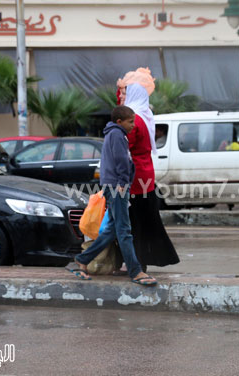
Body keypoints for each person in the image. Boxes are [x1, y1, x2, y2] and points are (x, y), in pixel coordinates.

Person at [74, 105, 157, 285]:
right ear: (119, 121)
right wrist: (122, 184)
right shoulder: (118, 135)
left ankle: (83, 259)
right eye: (130, 121)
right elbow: (121, 161)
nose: (134, 125)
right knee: (124, 231)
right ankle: (135, 272)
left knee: (111, 230)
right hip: (117, 188)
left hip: (114, 186)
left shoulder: (115, 134)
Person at [119, 82, 180, 272]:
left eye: (123, 93)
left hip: (134, 176)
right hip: (145, 172)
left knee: (134, 221)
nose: (121, 96)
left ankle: (137, 262)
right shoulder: (145, 115)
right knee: (145, 219)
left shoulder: (133, 120)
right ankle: (140, 261)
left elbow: (124, 148)